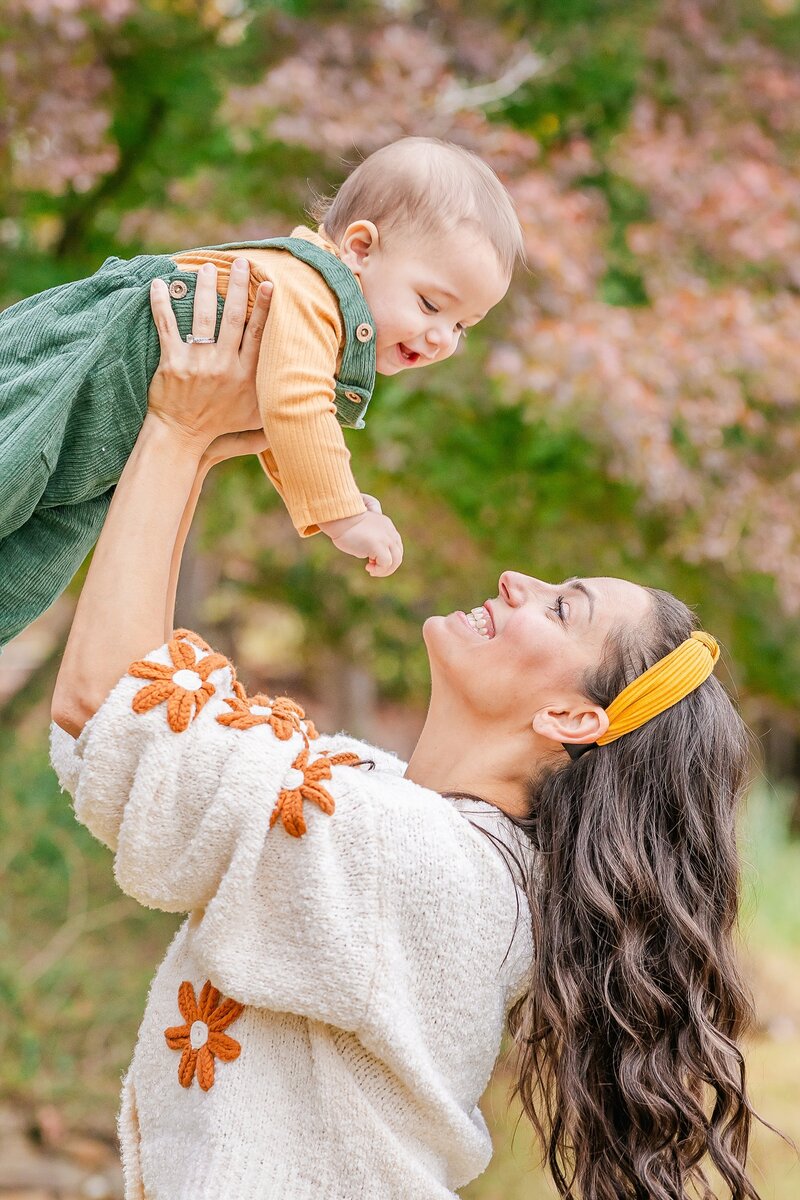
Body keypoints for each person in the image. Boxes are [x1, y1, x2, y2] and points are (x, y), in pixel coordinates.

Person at [50, 270, 765, 1199]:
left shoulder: (424, 868)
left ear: (572, 719)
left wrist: (180, 432)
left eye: (562, 605)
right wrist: (201, 442)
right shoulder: (387, 804)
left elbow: (111, 705)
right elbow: (121, 735)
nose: (517, 580)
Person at [0, 137, 522, 649]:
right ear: (360, 249)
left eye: (463, 326)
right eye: (431, 305)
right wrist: (345, 516)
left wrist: (328, 493)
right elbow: (295, 405)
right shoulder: (308, 290)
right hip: (82, 370)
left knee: (30, 572)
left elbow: (280, 415)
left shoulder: (316, 325)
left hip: (110, 437)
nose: (441, 338)